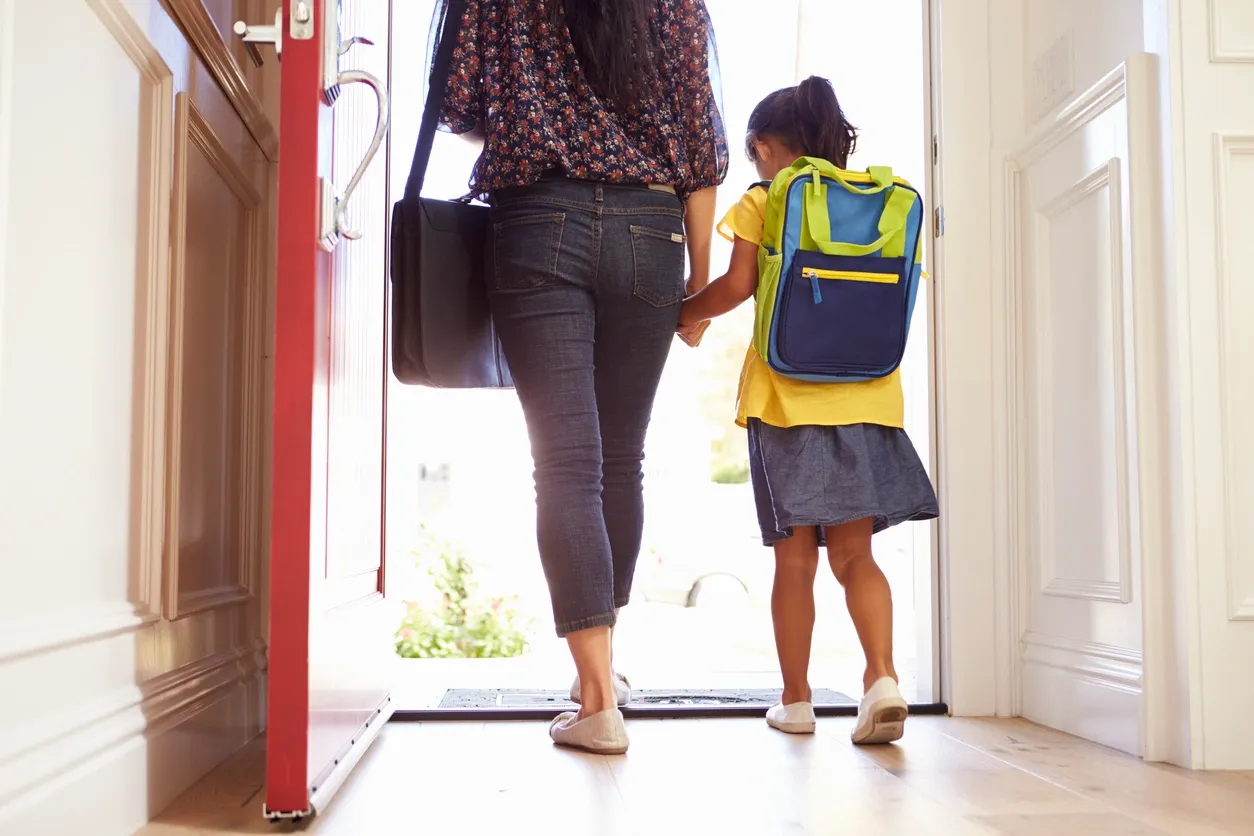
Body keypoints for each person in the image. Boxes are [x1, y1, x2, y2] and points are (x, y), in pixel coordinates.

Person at [431, 0, 727, 753]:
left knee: (566, 466)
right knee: (620, 459)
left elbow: (458, 106)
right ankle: (603, 672)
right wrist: (696, 285)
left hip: (538, 221)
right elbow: (700, 150)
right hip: (651, 232)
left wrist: (532, 113)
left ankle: (596, 697)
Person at [678, 76, 938, 745]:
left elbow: (737, 286)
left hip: (787, 401)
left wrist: (686, 316)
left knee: (795, 562)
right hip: (869, 396)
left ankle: (795, 701)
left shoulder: (767, 197)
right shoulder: (879, 201)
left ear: (764, 145)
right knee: (857, 558)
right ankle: (881, 677)